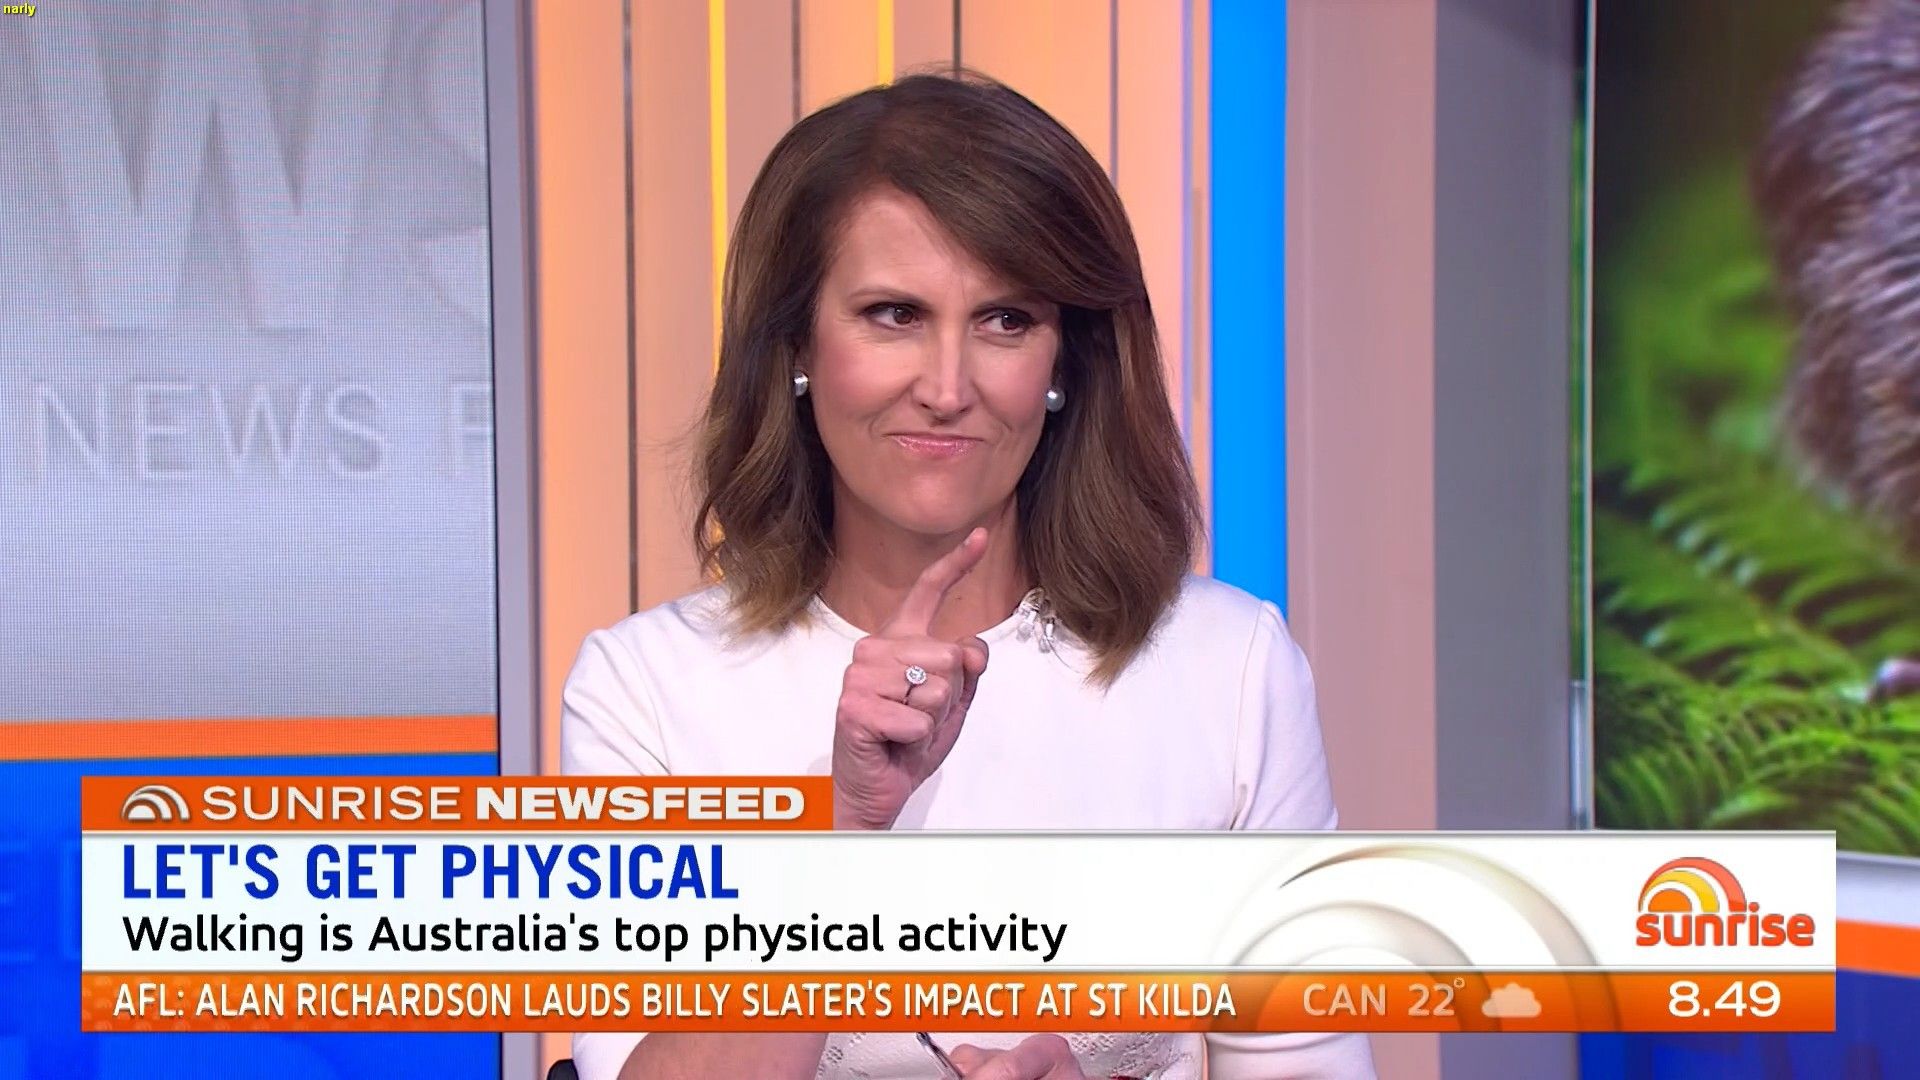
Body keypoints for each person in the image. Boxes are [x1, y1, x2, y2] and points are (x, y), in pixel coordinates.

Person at [561, 70, 1375, 1080]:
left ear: (1066, 362)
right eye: (894, 314)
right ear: (797, 346)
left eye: (1005, 321)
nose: (947, 389)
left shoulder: (1231, 669)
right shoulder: (646, 690)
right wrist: (844, 836)